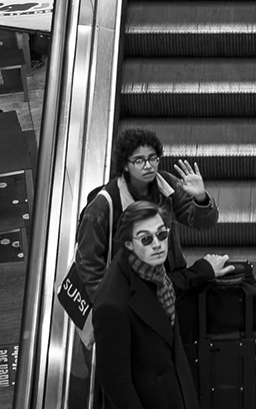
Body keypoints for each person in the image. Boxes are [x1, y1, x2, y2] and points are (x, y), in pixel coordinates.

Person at [93, 201, 236, 409]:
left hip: (167, 382)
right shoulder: (112, 303)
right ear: (128, 243)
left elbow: (170, 288)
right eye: (146, 238)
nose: (157, 244)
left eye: (161, 234)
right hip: (142, 401)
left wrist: (203, 271)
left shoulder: (151, 272)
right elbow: (112, 375)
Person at [71, 127, 220, 303]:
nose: (148, 166)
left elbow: (203, 223)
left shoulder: (166, 185)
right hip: (130, 293)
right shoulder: (103, 206)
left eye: (152, 158)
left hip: (166, 282)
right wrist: (110, 306)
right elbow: (88, 263)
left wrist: (200, 198)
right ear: (125, 165)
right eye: (139, 160)